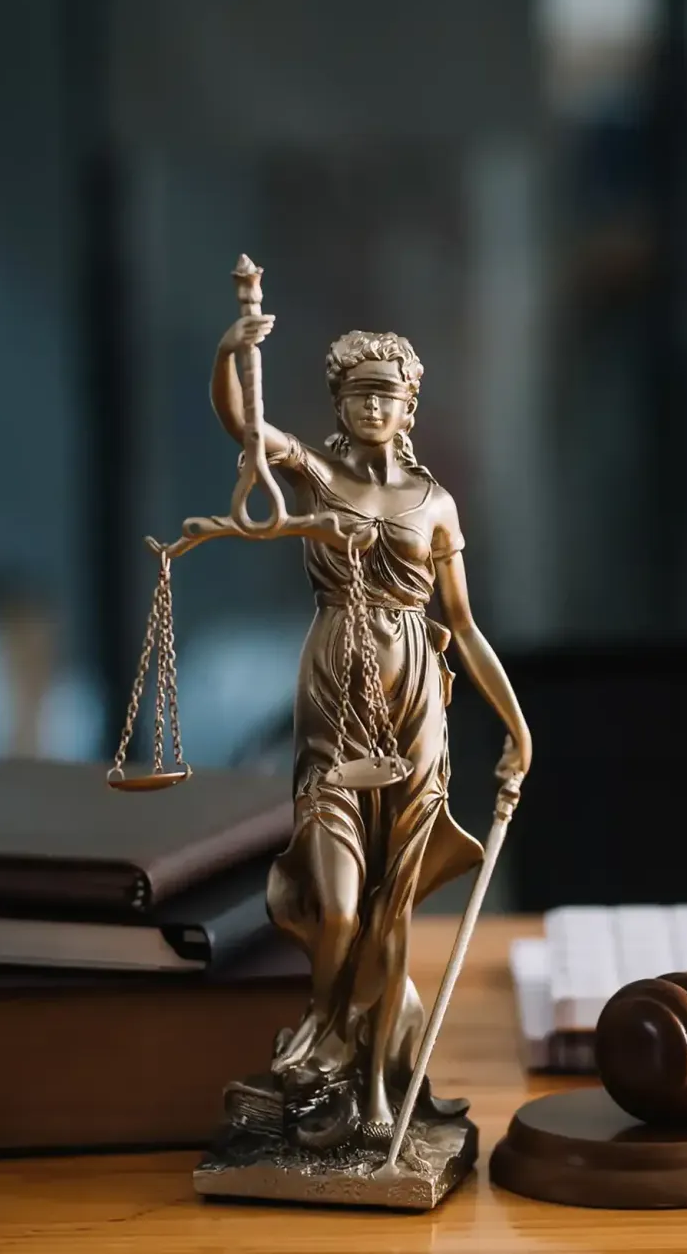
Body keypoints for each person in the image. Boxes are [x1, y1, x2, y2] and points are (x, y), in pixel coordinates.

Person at [210, 312, 531, 1136]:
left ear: (410, 406)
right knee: (341, 905)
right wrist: (232, 351)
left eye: (386, 395)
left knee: (394, 913)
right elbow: (246, 426)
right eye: (357, 396)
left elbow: (462, 624)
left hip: (418, 705)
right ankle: (326, 1031)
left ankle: (379, 1095)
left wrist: (517, 726)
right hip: (334, 699)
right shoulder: (317, 476)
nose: (372, 408)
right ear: (339, 404)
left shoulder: (436, 504)